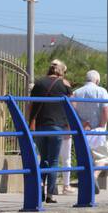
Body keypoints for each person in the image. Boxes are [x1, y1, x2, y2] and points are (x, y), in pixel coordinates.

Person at [30, 60, 70, 203]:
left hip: (40, 127)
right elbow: (70, 106)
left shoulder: (39, 83)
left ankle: (40, 188)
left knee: (43, 160)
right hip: (57, 127)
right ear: (60, 72)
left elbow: (31, 104)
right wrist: (68, 126)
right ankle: (50, 195)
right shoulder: (64, 84)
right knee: (53, 161)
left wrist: (30, 123)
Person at [72, 69, 108, 193]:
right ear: (97, 80)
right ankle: (93, 177)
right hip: (98, 130)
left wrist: (82, 123)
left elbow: (72, 110)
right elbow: (106, 110)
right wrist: (101, 125)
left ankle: (84, 181)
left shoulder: (76, 92)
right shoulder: (101, 91)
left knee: (85, 156)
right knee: (103, 158)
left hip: (83, 130)